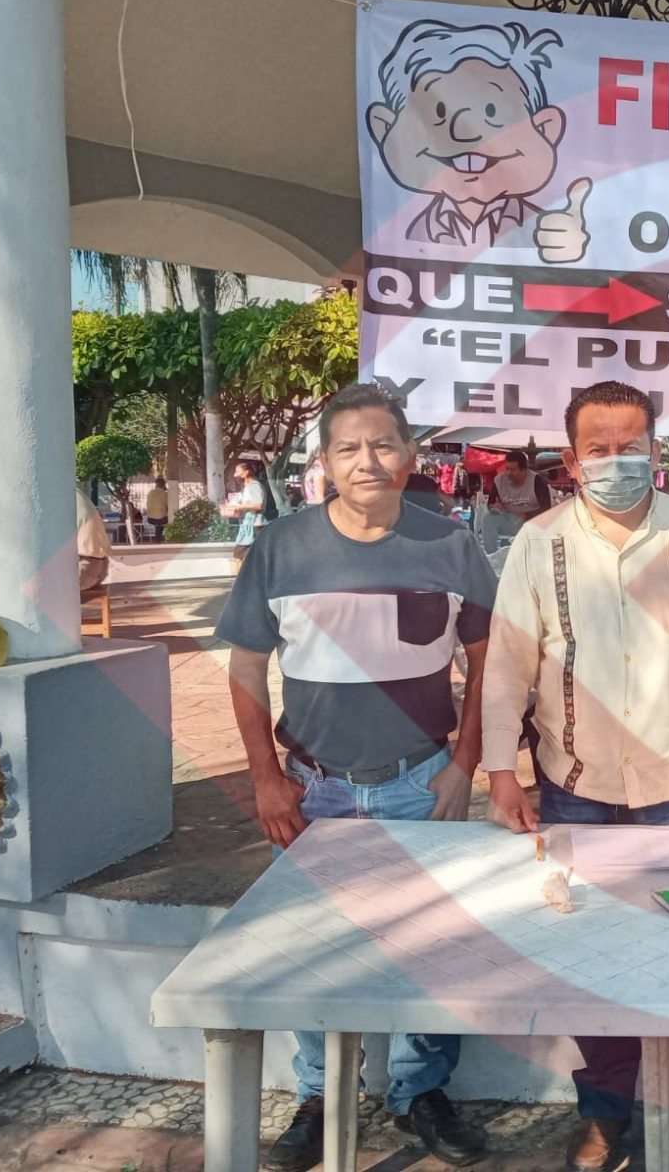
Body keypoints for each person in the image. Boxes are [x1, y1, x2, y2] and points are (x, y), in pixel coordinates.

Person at [483, 381, 669, 1172]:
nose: (616, 462)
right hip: (575, 786)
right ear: (571, 462)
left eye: (630, 446)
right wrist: (500, 769)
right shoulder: (539, 541)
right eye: (598, 449)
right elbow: (507, 663)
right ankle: (605, 1116)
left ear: (655, 450)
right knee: (593, 963)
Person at [215, 383, 495, 1172]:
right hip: (313, 790)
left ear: (409, 456)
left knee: (433, 944)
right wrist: (266, 780)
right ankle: (318, 1095)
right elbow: (246, 668)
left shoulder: (453, 547)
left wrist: (465, 763)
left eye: (382, 445)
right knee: (314, 944)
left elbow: (489, 663)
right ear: (325, 464)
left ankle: (421, 1091)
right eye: (348, 448)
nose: (366, 461)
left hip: (422, 781)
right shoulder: (281, 548)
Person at [364, 18, 590, 263]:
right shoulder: (406, 234)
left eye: (493, 111)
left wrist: (570, 255)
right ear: (385, 129)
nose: (465, 134)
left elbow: (559, 278)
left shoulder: (541, 230)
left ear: (545, 128)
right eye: (439, 111)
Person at [222, 459, 268, 563]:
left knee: (240, 555)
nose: (235, 475)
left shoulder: (254, 486)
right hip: (249, 525)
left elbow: (258, 505)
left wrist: (240, 506)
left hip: (255, 525)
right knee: (249, 556)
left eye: (237, 472)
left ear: (246, 472)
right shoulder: (248, 487)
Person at [144, 477, 169, 543]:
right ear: (164, 484)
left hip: (150, 518)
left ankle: (157, 539)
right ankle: (158, 539)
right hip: (161, 519)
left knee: (159, 524)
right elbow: (168, 506)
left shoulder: (150, 493)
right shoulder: (165, 494)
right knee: (167, 520)